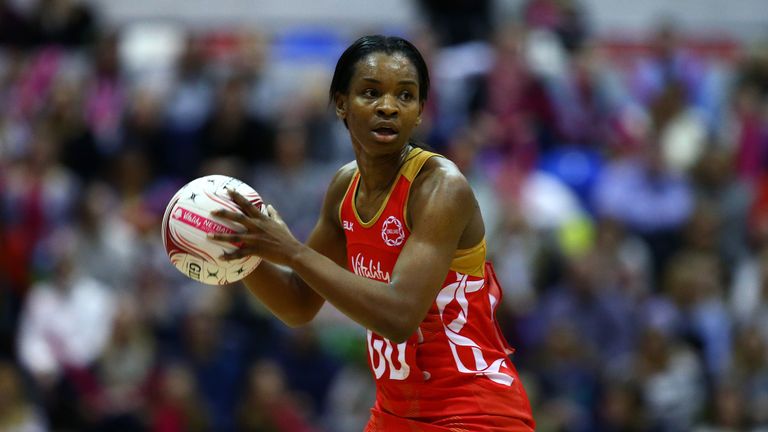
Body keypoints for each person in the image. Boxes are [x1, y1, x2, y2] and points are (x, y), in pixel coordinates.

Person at [209, 35, 535, 431]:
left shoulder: (440, 187)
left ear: (419, 113)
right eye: (371, 92)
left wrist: (293, 251)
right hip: (396, 413)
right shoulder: (343, 187)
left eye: (405, 96)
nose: (388, 107)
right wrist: (242, 250)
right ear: (341, 103)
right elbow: (298, 304)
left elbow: (399, 317)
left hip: (474, 409)